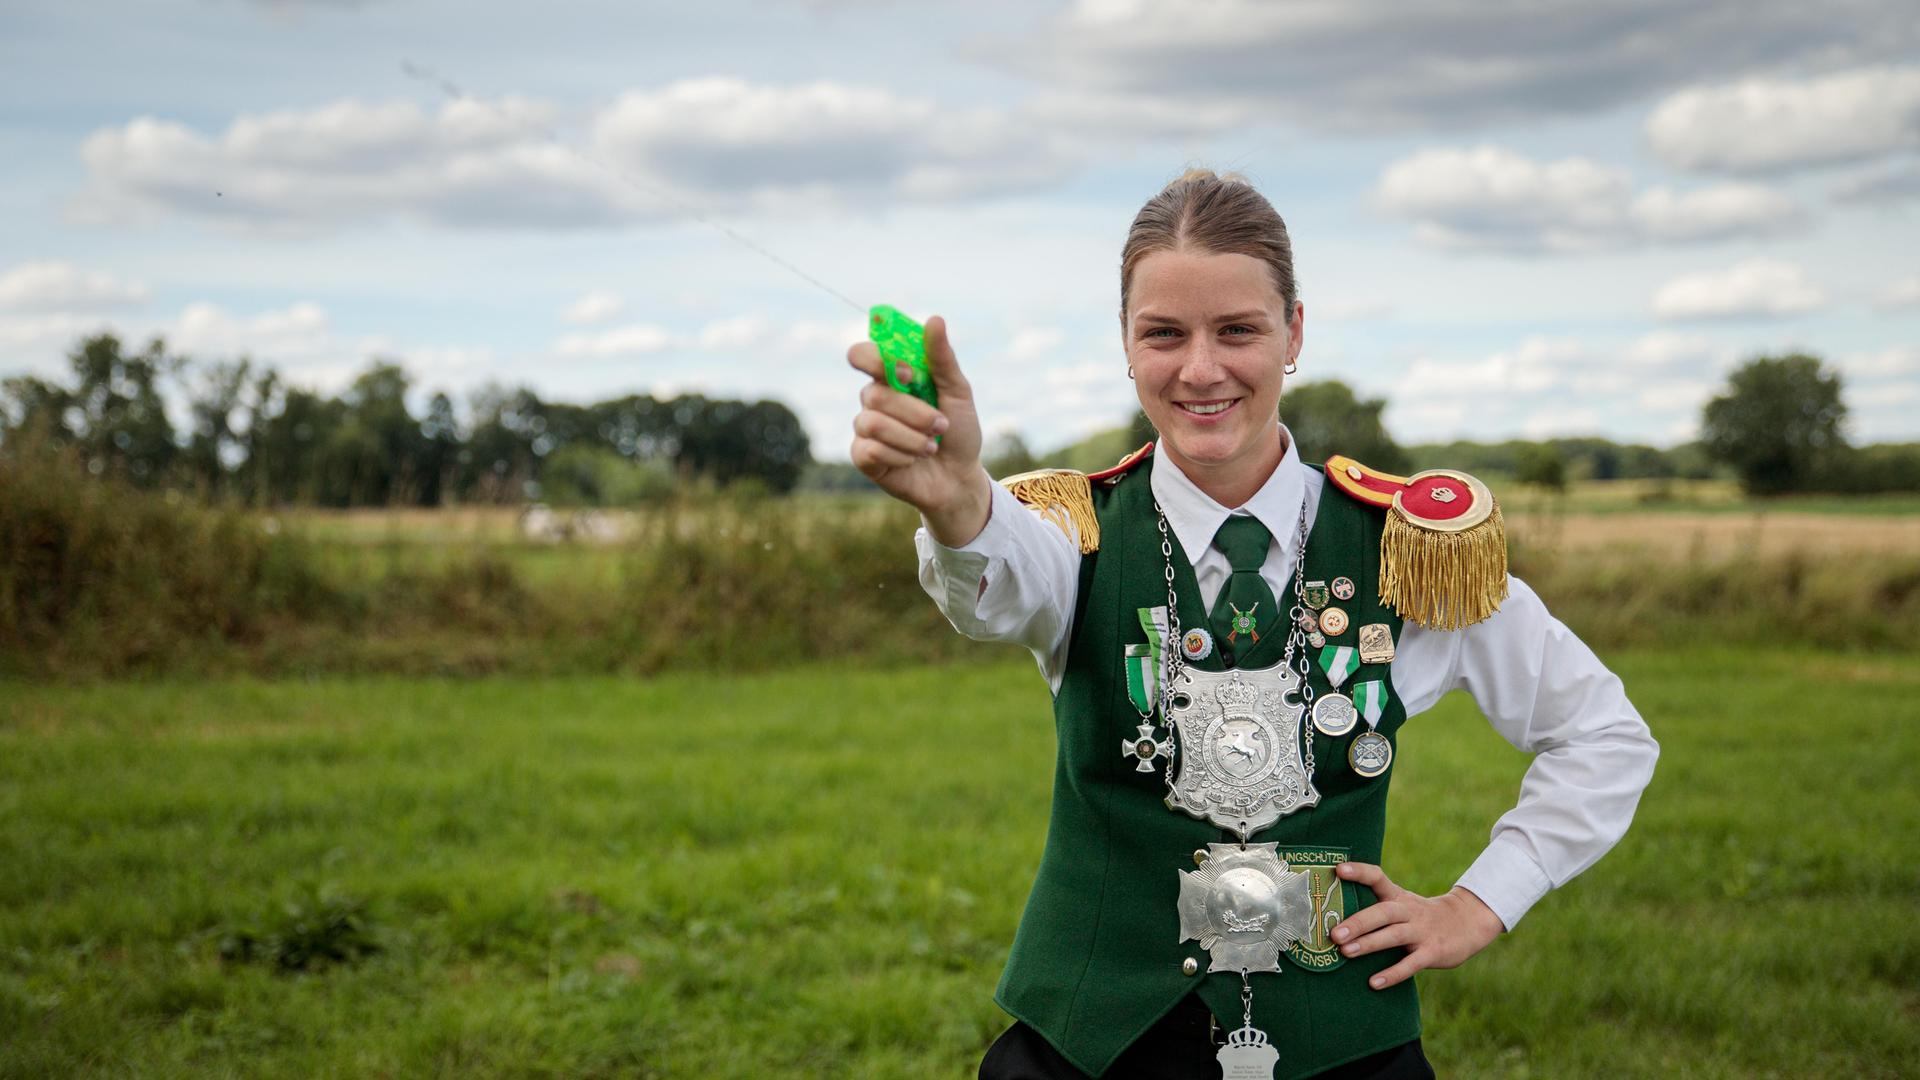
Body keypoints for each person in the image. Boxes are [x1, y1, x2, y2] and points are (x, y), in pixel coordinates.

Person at [845, 169, 1659, 1080]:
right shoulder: (1069, 533)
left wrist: (1478, 904)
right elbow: (990, 584)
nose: (1201, 368)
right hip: (1093, 1043)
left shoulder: (1411, 548)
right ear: (1125, 342)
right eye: (1164, 333)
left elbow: (1602, 735)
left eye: (1237, 329)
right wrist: (959, 503)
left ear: (1294, 332)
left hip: (1339, 1042)